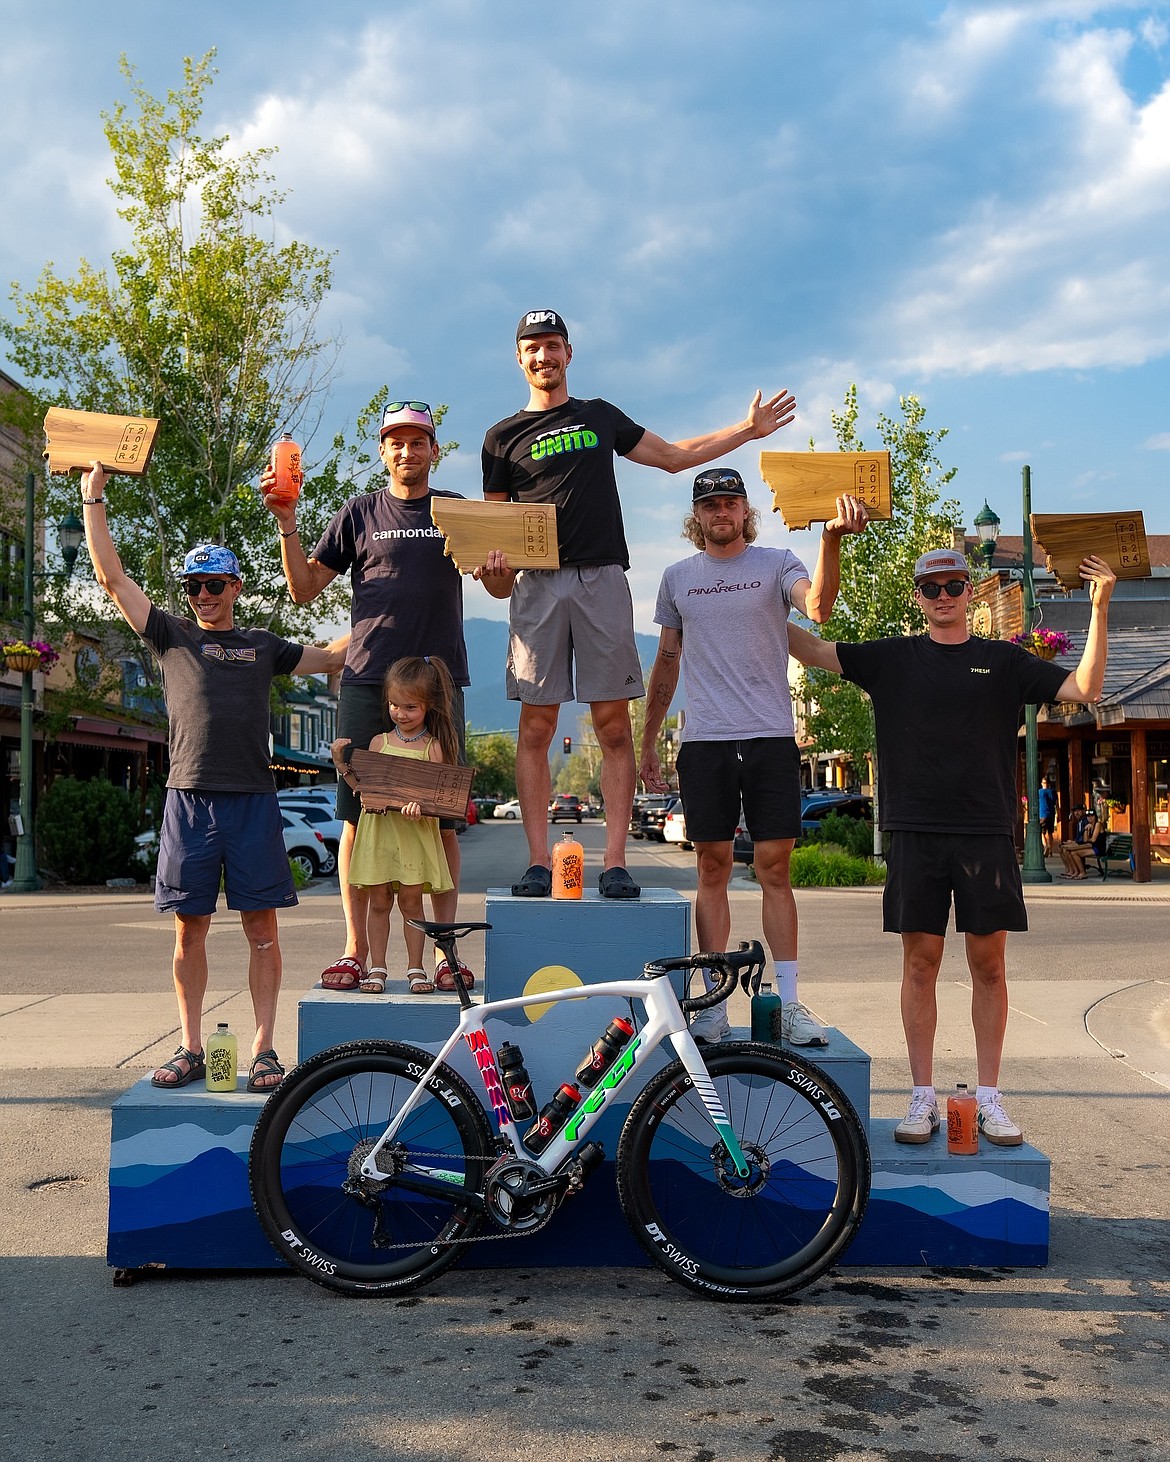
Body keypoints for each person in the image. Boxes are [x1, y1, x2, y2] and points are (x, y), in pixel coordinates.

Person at [788, 547, 1116, 1146]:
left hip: (985, 830)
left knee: (988, 966)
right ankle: (921, 1097)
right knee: (920, 965)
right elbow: (808, 647)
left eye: (953, 585)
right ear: (919, 595)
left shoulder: (1005, 661)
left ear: (969, 592)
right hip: (914, 831)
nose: (943, 596)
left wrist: (1100, 607)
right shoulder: (891, 658)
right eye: (931, 587)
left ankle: (989, 1098)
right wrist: (742, 596)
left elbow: (1086, 686)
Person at [476, 308, 797, 901]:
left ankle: (617, 862)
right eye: (532, 348)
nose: (543, 357)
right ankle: (538, 863)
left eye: (552, 346)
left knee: (612, 724)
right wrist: (495, 574)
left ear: (569, 353)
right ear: (518, 359)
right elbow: (496, 569)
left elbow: (673, 457)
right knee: (535, 725)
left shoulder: (598, 416)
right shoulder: (500, 439)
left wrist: (746, 431)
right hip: (536, 587)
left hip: (601, 580)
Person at [81, 461, 348, 1091]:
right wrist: (93, 496)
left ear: (236, 586)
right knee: (188, 928)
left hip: (254, 803)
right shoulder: (170, 636)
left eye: (214, 584)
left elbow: (334, 656)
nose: (202, 594)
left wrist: (384, 607)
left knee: (262, 929)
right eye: (193, 585)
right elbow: (111, 578)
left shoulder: (264, 645)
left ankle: (262, 1050)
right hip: (189, 801)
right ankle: (191, 1046)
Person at [639, 467, 869, 1045]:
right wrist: (647, 739)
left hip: (768, 736)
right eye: (710, 504)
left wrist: (832, 540)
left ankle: (789, 1005)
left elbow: (817, 607)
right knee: (711, 868)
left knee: (775, 869)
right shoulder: (677, 578)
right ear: (698, 516)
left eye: (731, 502)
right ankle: (713, 1005)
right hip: (705, 740)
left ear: (746, 511)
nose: (721, 512)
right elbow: (667, 662)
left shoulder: (776, 562)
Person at [263, 402, 473, 992]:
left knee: (444, 820)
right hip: (366, 680)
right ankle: (355, 950)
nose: (408, 451)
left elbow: (500, 582)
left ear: (435, 448)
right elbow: (304, 590)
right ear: (382, 450)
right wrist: (286, 520)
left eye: (418, 441)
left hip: (437, 681)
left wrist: (503, 563)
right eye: (396, 442)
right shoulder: (358, 513)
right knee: (356, 815)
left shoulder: (456, 511)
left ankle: (443, 952)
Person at [331, 656, 459, 995]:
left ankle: (416, 968)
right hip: (381, 835)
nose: (400, 713)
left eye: (410, 707)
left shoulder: (434, 748)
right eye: (394, 705)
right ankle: (377, 967)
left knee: (412, 904)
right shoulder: (379, 743)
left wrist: (425, 809)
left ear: (428, 705)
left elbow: (439, 801)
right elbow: (365, 791)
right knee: (379, 902)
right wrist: (342, 766)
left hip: (413, 838)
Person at [1059, 804, 1105, 879]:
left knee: (1073, 852)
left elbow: (1093, 840)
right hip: (1092, 847)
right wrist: (1086, 830)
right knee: (1069, 851)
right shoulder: (1089, 825)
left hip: (1098, 848)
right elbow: (1085, 839)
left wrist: (1086, 839)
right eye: (1088, 816)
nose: (1090, 818)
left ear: (1095, 816)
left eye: (1092, 816)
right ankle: (1074, 872)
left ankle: (1082, 873)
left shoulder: (1098, 824)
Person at [1038, 776, 1057, 856]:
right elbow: (1056, 803)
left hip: (1043, 814)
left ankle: (1046, 846)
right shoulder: (1053, 791)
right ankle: (1050, 850)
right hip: (1051, 814)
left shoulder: (1040, 792)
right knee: (1050, 832)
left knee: (1042, 832)